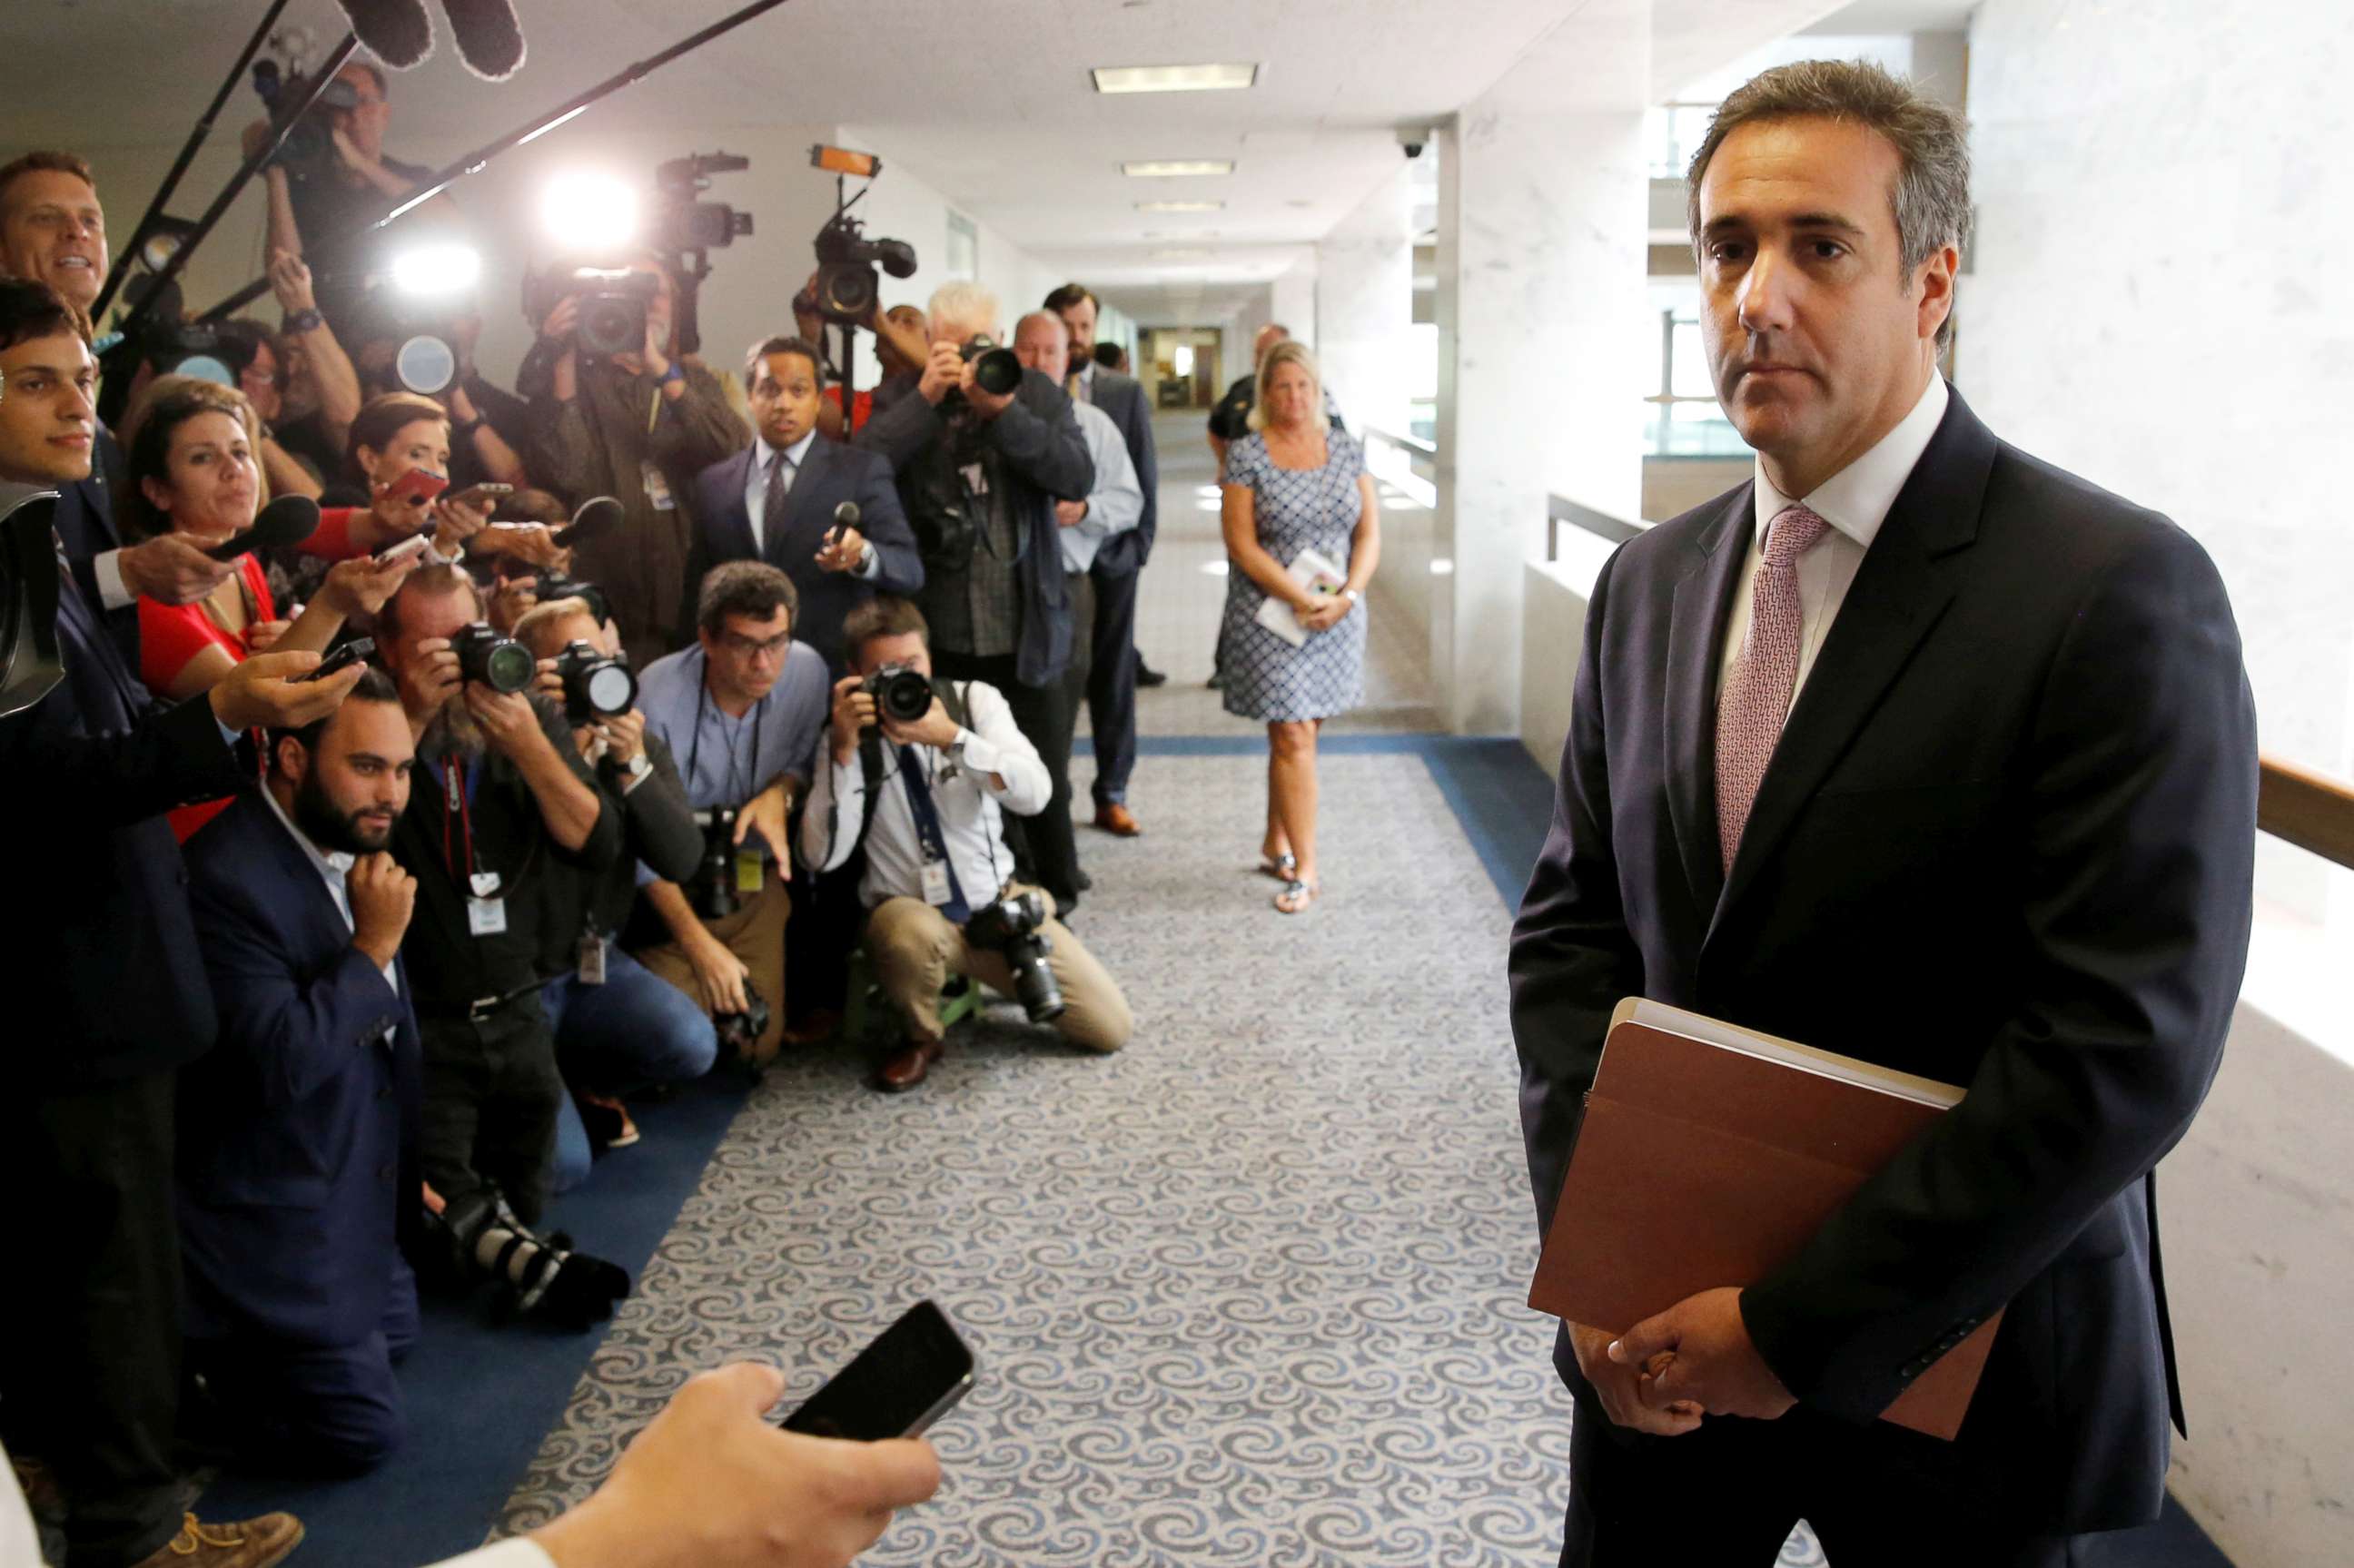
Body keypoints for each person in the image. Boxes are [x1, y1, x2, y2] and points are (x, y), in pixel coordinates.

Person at [1508, 61, 2258, 1568]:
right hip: (1655, 1345)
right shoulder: (1648, 583)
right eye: (1726, 248)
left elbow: (2120, 1044)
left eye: (1817, 246)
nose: (1756, 297)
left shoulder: (2109, 587)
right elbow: (1574, 929)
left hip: (1956, 1352)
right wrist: (1589, 1254)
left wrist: (1793, 1327)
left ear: (1929, 284)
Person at [0, 277, 360, 1568]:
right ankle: (137, 1524)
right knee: (114, 1267)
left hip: (109, 949)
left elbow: (71, 666)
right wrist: (218, 721)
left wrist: (112, 571)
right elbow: (37, 779)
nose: (74, 404)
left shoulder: (46, 531)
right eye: (36, 380)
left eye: (81, 379)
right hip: (67, 968)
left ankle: (107, 1476)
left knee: (104, 1255)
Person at [176, 668, 424, 1476]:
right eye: (366, 766)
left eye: (403, 769)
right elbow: (277, 1061)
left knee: (401, 1332)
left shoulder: (352, 842)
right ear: (289, 758)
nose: (390, 793)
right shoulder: (226, 880)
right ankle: (198, 1390)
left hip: (347, 1178)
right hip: (262, 1209)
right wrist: (372, 950)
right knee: (365, 1435)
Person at [374, 565, 627, 1239]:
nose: (455, 664)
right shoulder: (370, 717)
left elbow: (595, 840)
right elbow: (346, 844)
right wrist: (412, 712)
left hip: (520, 996)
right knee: (444, 1224)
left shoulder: (523, 712)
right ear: (390, 647)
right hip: (424, 1013)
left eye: (463, 640)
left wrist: (529, 744)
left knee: (542, 1184)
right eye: (431, 648)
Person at [803, 597, 1132, 1092]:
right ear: (853, 674)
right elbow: (820, 855)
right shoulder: (845, 735)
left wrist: (953, 738)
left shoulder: (973, 702)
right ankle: (920, 1036)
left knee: (1110, 1028)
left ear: (929, 659)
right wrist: (844, 752)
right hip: (911, 915)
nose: (899, 681)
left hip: (995, 913)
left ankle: (999, 973)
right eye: (882, 671)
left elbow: (1037, 793)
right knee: (906, 932)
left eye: (910, 665)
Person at [854, 281, 1093, 913]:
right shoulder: (907, 397)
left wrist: (1003, 408)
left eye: (977, 345)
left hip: (1024, 627)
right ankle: (974, 897)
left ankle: (1057, 898)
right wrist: (928, 397)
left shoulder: (1034, 391)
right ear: (930, 344)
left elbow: (1075, 474)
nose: (964, 358)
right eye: (949, 346)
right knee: (953, 773)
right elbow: (863, 464)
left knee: (1042, 773)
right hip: (943, 630)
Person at [119, 375, 419, 837]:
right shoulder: (151, 597)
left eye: (240, 452)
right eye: (203, 457)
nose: (233, 469)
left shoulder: (244, 565)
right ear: (158, 490)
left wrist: (297, 640)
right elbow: (260, 705)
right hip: (194, 839)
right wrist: (332, 605)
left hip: (254, 818)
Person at [0, 151, 243, 649]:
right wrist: (125, 573)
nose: (75, 232)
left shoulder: (103, 440)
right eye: (47, 218)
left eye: (89, 219)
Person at [510, 596, 716, 1188]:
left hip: (594, 963)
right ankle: (541, 1084)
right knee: (561, 1167)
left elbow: (681, 857)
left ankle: (574, 1078)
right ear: (530, 672)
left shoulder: (637, 743)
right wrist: (544, 742)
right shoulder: (506, 749)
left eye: (598, 661)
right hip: (521, 981)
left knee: (691, 1044)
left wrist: (632, 767)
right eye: (567, 665)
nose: (587, 679)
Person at [633, 564, 832, 1067]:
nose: (764, 664)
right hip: (672, 893)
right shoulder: (655, 696)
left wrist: (782, 792)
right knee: (678, 1042)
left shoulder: (807, 671)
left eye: (777, 642)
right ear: (707, 638)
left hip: (753, 881)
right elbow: (637, 835)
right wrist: (699, 947)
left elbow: (806, 762)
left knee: (754, 1046)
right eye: (745, 644)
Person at [524, 253, 750, 666]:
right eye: (624, 294)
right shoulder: (575, 383)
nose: (642, 306)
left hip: (684, 602)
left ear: (677, 307)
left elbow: (732, 452)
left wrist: (660, 369)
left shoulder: (694, 382)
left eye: (652, 292)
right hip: (599, 601)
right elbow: (566, 470)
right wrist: (561, 354)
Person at [1218, 341, 1380, 915]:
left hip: (1335, 615)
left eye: (1303, 386)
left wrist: (1347, 596)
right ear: (1265, 394)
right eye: (1281, 387)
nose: (1293, 397)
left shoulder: (1344, 449)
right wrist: (1301, 597)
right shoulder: (1248, 453)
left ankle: (1275, 840)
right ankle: (1306, 870)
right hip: (1271, 614)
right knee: (1293, 736)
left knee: (1301, 732)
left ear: (1318, 390)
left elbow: (1368, 534)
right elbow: (1239, 542)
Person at [685, 333, 922, 676]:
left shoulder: (860, 471)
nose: (783, 403)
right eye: (769, 389)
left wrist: (863, 556)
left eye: (798, 391)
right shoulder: (714, 484)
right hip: (736, 674)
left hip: (828, 670)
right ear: (750, 397)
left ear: (817, 401)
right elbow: (698, 590)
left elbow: (909, 570)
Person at [1010, 311, 1142, 823]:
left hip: (1066, 587)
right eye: (1028, 349)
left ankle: (1054, 831)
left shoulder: (1094, 426)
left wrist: (1084, 512)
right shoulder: (987, 420)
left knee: (1057, 715)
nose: (1038, 361)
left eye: (1049, 351)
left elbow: (1129, 502)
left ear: (1068, 359)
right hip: (1001, 588)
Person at [1043, 284, 1158, 837]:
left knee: (1113, 677)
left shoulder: (1122, 393)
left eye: (1086, 326)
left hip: (1111, 558)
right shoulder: (1028, 396)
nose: (1078, 336)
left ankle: (1112, 792)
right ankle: (1049, 795)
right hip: (1052, 567)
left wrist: (1136, 549)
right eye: (1068, 326)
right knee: (1058, 679)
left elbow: (1143, 475)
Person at [251, 60, 462, 343]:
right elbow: (284, 277)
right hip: (318, 337)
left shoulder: (411, 179)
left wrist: (360, 163)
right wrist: (275, 172)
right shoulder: (303, 187)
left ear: (385, 114)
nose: (354, 113)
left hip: (399, 337)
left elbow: (454, 227)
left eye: (365, 101)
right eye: (339, 102)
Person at [1207, 321, 1346, 474]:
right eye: (1258, 352)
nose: (1294, 395)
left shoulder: (1317, 396)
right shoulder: (1241, 389)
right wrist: (1226, 464)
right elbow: (1216, 428)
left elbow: (1338, 439)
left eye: (1268, 352)